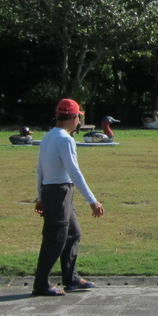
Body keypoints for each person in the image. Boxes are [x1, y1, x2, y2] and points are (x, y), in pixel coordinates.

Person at [32, 98, 105, 296]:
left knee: (73, 233)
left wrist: (40, 195)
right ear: (73, 118)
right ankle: (41, 284)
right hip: (59, 192)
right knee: (55, 239)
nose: (78, 122)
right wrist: (93, 200)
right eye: (78, 118)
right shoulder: (65, 139)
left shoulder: (48, 137)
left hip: (54, 190)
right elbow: (75, 172)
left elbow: (40, 169)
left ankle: (71, 278)